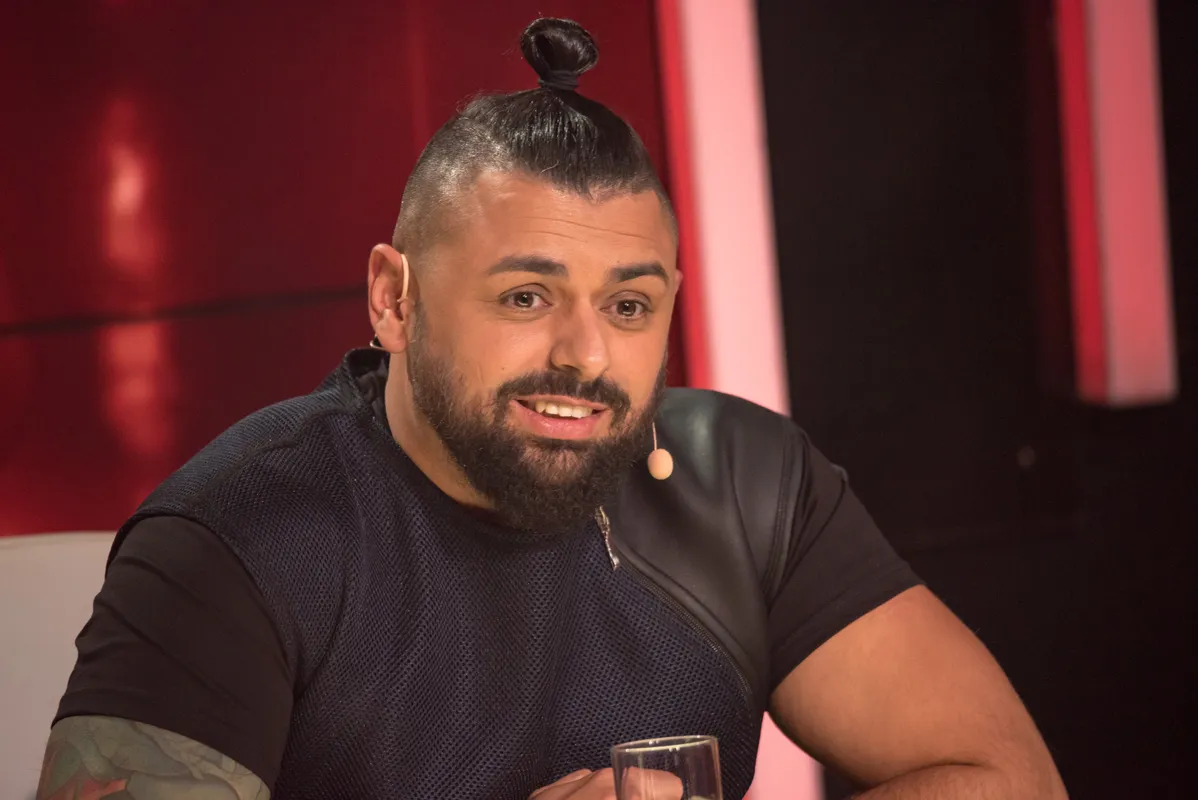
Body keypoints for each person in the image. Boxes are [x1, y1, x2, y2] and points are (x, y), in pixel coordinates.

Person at [36, 17, 1066, 800]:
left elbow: (1006, 776)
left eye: (628, 305)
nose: (585, 355)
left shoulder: (745, 486)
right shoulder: (240, 537)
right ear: (395, 299)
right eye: (526, 297)